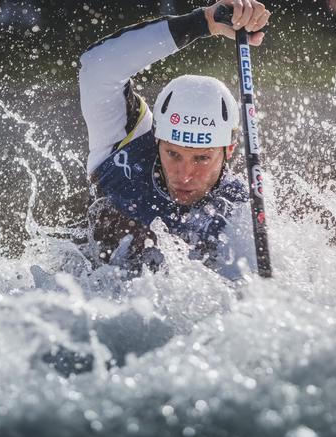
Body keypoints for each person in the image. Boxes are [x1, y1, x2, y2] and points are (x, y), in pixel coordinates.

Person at [79, 0, 270, 272]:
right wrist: (203, 22)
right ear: (156, 138)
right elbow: (97, 67)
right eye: (173, 154)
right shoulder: (122, 142)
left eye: (202, 158)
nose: (185, 175)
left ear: (229, 149)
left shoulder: (242, 210)